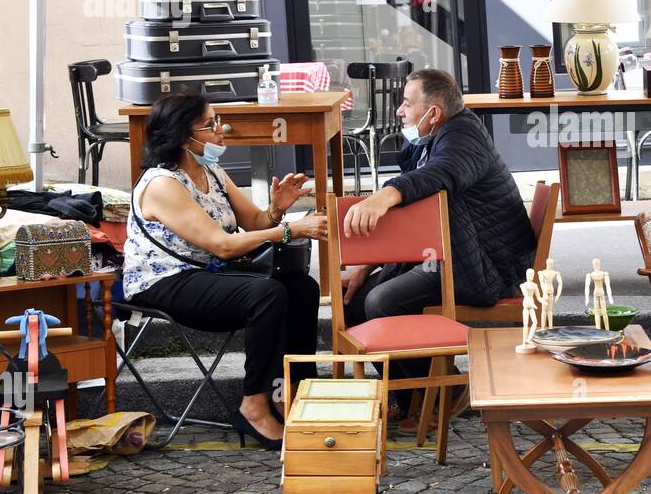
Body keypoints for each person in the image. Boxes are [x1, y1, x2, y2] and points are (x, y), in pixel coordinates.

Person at [123, 92, 329, 449]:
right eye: (210, 125)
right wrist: (290, 229)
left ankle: (293, 390)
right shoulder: (162, 184)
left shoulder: (212, 172)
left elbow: (253, 222)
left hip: (208, 273)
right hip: (163, 280)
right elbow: (221, 244)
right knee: (268, 293)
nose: (222, 131)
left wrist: (277, 210)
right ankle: (254, 404)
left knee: (302, 287)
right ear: (182, 137)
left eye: (218, 122)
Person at [341, 68, 536, 411]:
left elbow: (439, 175)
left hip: (484, 268)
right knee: (353, 302)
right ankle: (412, 400)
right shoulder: (437, 136)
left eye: (406, 103)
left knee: (381, 302)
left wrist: (385, 194)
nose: (400, 111)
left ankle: (447, 393)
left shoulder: (463, 136)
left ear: (433, 113)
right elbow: (417, 212)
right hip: (456, 255)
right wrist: (365, 266)